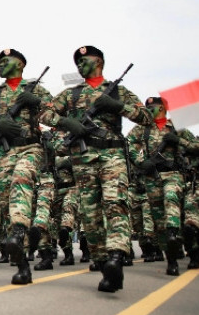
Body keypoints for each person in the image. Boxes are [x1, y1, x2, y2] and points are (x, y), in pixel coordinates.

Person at [39, 45, 152, 293]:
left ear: (99, 61)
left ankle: (116, 255)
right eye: (77, 62)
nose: (80, 64)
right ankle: (103, 263)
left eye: (85, 60)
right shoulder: (71, 94)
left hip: (112, 156)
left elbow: (147, 118)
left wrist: (116, 106)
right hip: (83, 160)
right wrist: (66, 122)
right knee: (90, 217)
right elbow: (44, 113)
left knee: (115, 205)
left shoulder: (118, 91)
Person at [0, 49, 52, 285]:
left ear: (21, 64)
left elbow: (55, 113)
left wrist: (38, 103)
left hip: (30, 147)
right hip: (2, 153)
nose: (2, 64)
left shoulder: (35, 89)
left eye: (7, 61)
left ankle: (18, 232)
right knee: (7, 205)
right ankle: (22, 264)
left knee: (21, 183)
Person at [127, 96, 199, 276]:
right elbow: (128, 145)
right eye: (148, 107)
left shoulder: (176, 126)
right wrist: (141, 162)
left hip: (173, 174)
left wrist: (178, 141)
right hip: (152, 177)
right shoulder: (142, 129)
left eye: (153, 107)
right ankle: (172, 258)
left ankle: (175, 233)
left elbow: (196, 146)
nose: (150, 109)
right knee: (159, 221)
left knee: (171, 200)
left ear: (163, 108)